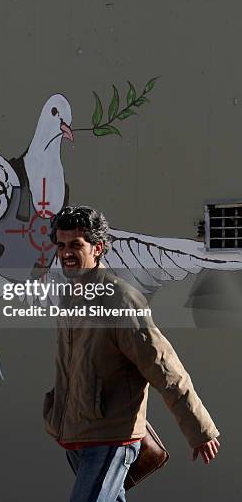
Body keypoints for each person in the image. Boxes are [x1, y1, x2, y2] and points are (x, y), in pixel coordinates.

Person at [42, 205, 220, 502]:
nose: (66, 253)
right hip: (76, 432)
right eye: (61, 245)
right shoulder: (69, 297)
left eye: (76, 244)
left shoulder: (120, 299)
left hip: (111, 434)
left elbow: (162, 364)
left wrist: (199, 429)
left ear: (97, 248)